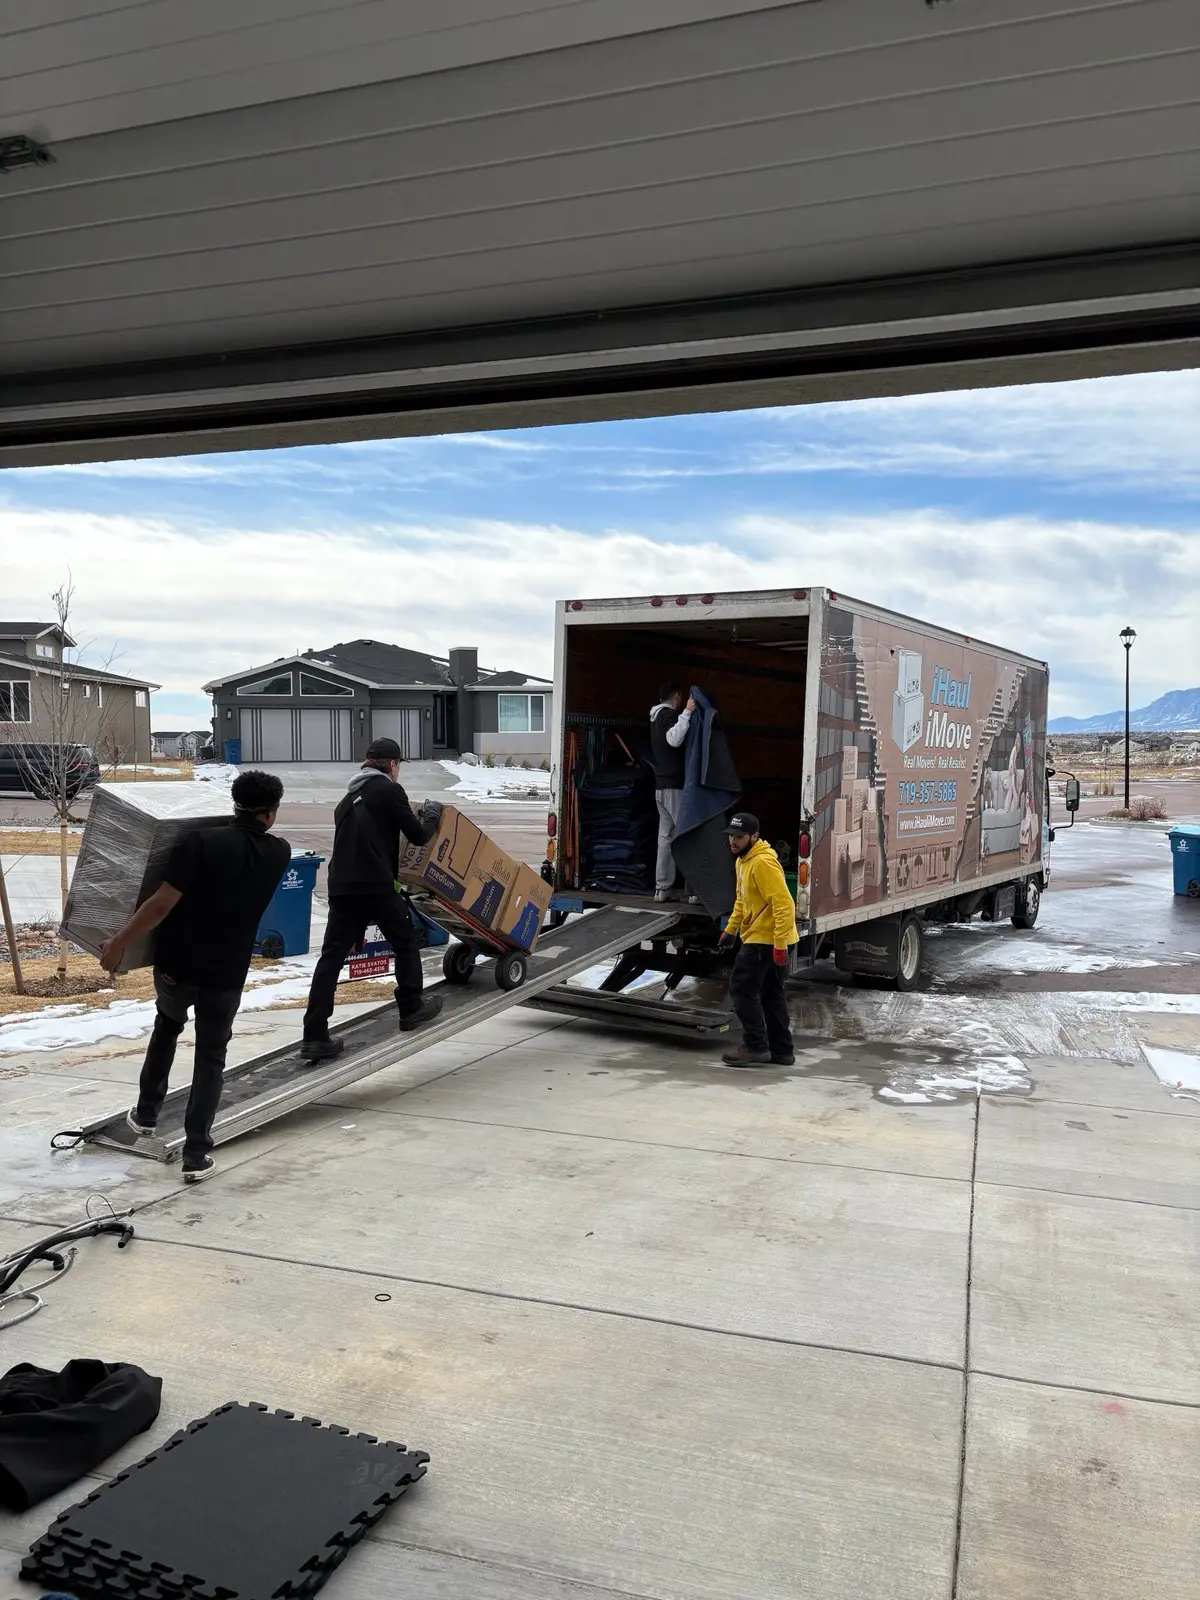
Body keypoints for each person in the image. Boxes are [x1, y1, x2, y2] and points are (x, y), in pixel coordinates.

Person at [100, 769, 290, 1182]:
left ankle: (147, 1114)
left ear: (234, 804)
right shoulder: (279, 852)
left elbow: (159, 905)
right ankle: (196, 1154)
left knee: (167, 1026)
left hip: (178, 965)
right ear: (271, 814)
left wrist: (118, 941)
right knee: (211, 1057)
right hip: (226, 971)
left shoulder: (200, 843)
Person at [301, 737, 443, 1061]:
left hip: (340, 888)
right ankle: (411, 1007)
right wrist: (432, 816)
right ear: (392, 765)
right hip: (376, 887)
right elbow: (419, 836)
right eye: (398, 767)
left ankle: (314, 1035)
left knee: (330, 960)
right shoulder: (389, 791)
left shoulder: (347, 799)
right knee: (405, 942)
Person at [717, 812, 799, 1067]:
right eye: (731, 835)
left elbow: (784, 904)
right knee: (771, 995)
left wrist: (780, 945)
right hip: (762, 937)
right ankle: (782, 1051)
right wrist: (730, 931)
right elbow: (742, 900)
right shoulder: (743, 861)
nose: (733, 840)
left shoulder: (763, 863)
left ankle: (755, 1046)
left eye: (739, 836)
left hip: (768, 940)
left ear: (754, 836)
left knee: (741, 989)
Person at [649, 681, 696, 902]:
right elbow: (674, 739)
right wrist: (687, 713)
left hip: (660, 786)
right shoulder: (668, 716)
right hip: (674, 786)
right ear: (677, 695)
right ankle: (694, 890)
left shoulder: (654, 717)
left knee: (665, 838)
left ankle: (662, 888)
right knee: (686, 835)